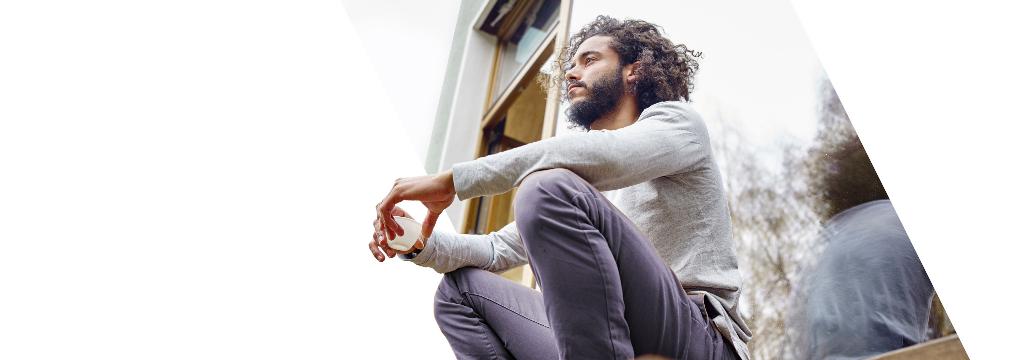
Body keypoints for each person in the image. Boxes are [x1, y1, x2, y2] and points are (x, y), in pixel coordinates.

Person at [370, 16, 750, 360]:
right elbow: (497, 248)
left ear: (634, 71)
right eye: (569, 65)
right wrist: (418, 242)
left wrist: (456, 179)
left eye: (589, 60)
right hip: (622, 341)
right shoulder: (584, 184)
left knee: (545, 188)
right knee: (459, 293)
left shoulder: (677, 124)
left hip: (695, 336)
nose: (570, 73)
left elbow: (612, 157)